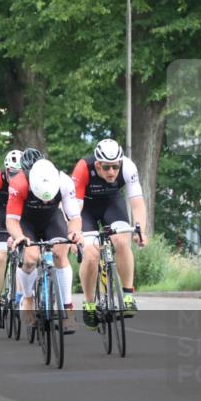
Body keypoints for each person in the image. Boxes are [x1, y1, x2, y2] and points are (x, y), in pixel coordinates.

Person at [72, 138, 147, 327]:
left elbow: (137, 204)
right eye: (106, 168)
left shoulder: (128, 167)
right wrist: (75, 236)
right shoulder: (83, 168)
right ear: (97, 164)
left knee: (122, 241)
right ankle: (89, 304)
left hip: (112, 204)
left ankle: (128, 296)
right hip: (85, 208)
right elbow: (73, 208)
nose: (112, 172)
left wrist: (140, 230)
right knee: (90, 255)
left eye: (115, 167)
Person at [6, 158, 83, 333]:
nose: (45, 202)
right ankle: (27, 299)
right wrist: (19, 237)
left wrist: (75, 233)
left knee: (60, 253)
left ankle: (67, 310)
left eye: (49, 199)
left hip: (51, 220)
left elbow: (74, 217)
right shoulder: (19, 182)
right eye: (42, 198)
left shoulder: (64, 181)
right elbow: (11, 220)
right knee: (30, 258)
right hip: (26, 222)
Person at [0, 149, 22, 328]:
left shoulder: (28, 179)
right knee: (0, 256)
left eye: (18, 173)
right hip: (1, 215)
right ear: (6, 170)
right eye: (11, 173)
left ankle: (22, 297)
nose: (14, 176)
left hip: (19, 217)